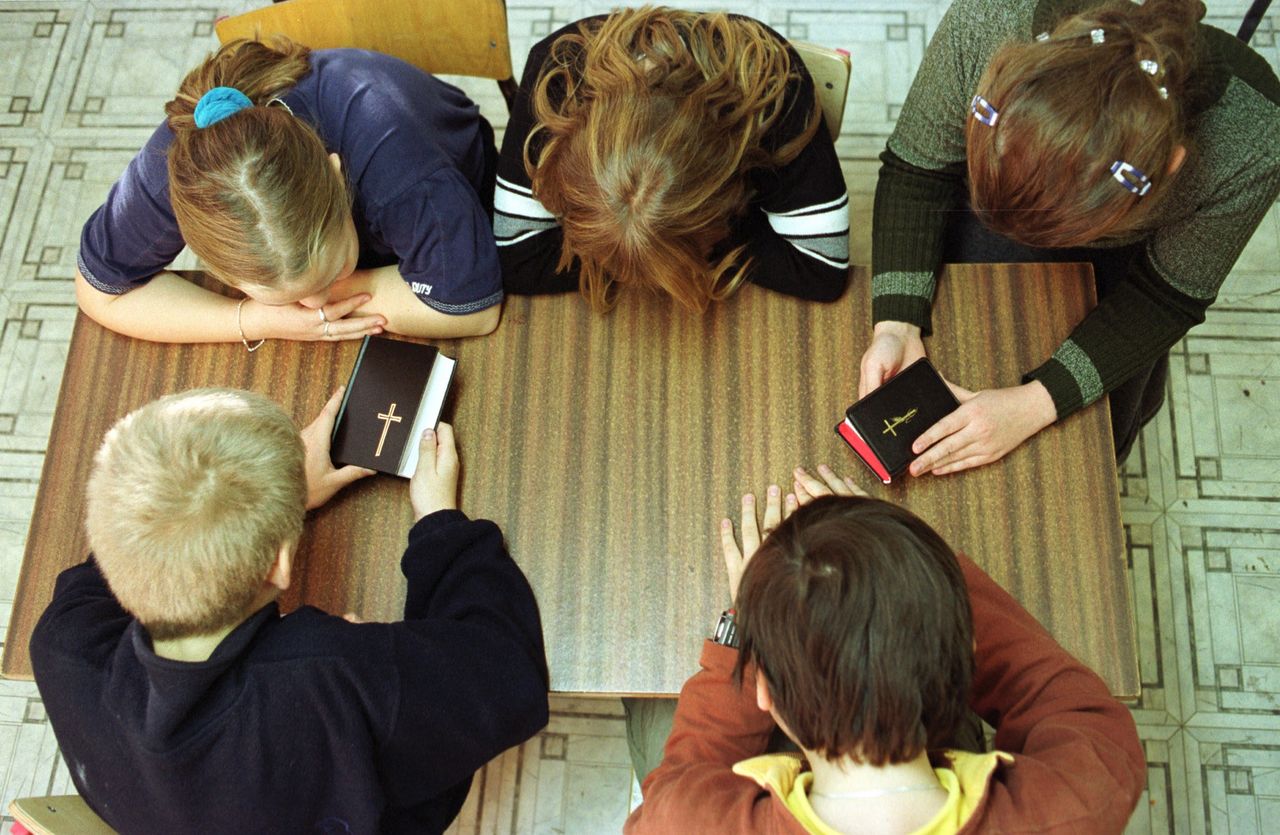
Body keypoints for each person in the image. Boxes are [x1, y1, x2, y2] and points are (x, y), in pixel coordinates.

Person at [30, 388, 548, 833]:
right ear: (280, 564)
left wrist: (257, 499)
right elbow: (511, 674)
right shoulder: (332, 677)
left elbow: (120, 550)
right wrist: (439, 523)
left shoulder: (61, 645)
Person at [860, 0, 1280, 470]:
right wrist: (896, 323)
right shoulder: (988, 19)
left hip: (1127, 266)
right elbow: (918, 170)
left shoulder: (1254, 142)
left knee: (1091, 441)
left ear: (1171, 167)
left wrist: (1036, 404)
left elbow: (1166, 296)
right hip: (987, 208)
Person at [624, 465, 1146, 834]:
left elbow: (676, 783)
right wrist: (912, 573)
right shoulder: (1081, 800)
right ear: (969, 649)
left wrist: (745, 630)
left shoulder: (684, 822)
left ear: (761, 688)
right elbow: (1079, 711)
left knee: (649, 714)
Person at [75, 37, 504, 346]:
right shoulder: (179, 172)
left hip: (462, 187)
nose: (313, 305)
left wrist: (319, 303)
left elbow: (472, 306)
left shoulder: (401, 167)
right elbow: (99, 291)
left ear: (338, 177)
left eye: (331, 272)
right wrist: (252, 319)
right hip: (390, 237)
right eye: (292, 296)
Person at [495, 7, 850, 311]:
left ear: (729, 203)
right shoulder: (558, 76)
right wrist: (670, 253)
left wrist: (655, 255)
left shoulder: (776, 89)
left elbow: (821, 270)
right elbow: (518, 259)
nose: (640, 284)